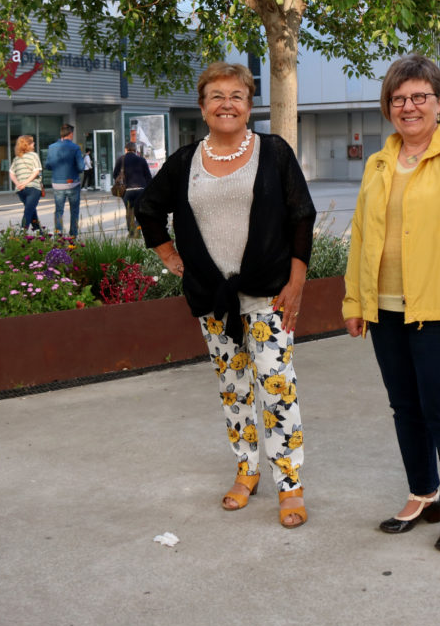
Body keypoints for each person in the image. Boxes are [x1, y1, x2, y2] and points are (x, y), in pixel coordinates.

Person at [135, 61, 316, 529]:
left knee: (277, 390)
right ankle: (246, 470)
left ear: (250, 105)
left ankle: (289, 484)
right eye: (216, 95)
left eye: (236, 95)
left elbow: (301, 215)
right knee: (234, 390)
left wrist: (297, 279)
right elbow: (149, 208)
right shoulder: (185, 161)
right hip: (214, 298)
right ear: (202, 106)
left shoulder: (273, 152)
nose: (227, 104)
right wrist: (170, 257)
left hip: (269, 295)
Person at [342, 54, 440, 553]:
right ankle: (423, 493)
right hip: (384, 308)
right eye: (399, 98)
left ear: (438, 102)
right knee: (405, 407)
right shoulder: (379, 161)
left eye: (419, 97)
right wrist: (354, 300)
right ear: (388, 106)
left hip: (438, 308)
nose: (409, 107)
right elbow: (361, 235)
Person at [46, 124, 84, 237]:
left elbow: (48, 165)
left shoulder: (51, 147)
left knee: (58, 210)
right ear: (71, 134)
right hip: (72, 183)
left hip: (57, 183)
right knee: (74, 210)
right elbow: (81, 167)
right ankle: (73, 234)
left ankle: (58, 233)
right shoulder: (75, 148)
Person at [112, 141, 152, 238]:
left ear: (126, 149)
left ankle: (131, 233)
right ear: (135, 150)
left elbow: (115, 175)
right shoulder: (142, 160)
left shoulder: (121, 160)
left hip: (127, 190)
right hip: (141, 189)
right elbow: (148, 177)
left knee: (129, 212)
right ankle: (138, 230)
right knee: (139, 211)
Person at [9, 135, 43, 232]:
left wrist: (18, 184)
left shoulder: (17, 158)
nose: (34, 144)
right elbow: (37, 171)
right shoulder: (34, 155)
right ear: (27, 145)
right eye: (32, 142)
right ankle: (22, 233)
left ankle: (39, 231)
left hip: (21, 190)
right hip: (33, 188)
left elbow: (11, 173)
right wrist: (25, 182)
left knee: (31, 209)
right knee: (28, 211)